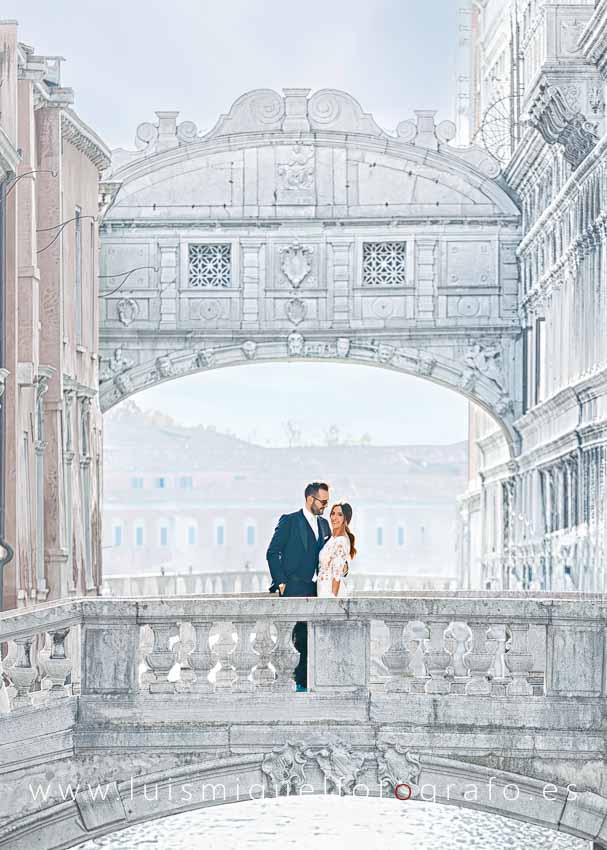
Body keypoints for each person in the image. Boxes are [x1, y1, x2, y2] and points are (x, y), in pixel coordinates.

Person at [266, 482, 332, 692]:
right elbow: (272, 552)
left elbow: (327, 556)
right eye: (323, 502)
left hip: (316, 590)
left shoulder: (324, 525)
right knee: (289, 639)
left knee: (309, 640)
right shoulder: (290, 521)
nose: (325, 506)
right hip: (292, 589)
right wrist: (281, 583)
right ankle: (286, 683)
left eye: (327, 502)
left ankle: (304, 684)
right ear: (310, 499)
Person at [317, 503, 356, 598]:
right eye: (333, 513)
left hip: (330, 591)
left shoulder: (341, 542)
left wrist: (332, 598)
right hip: (323, 587)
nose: (334, 517)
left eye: (340, 515)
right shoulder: (332, 539)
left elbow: (337, 575)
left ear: (346, 519)